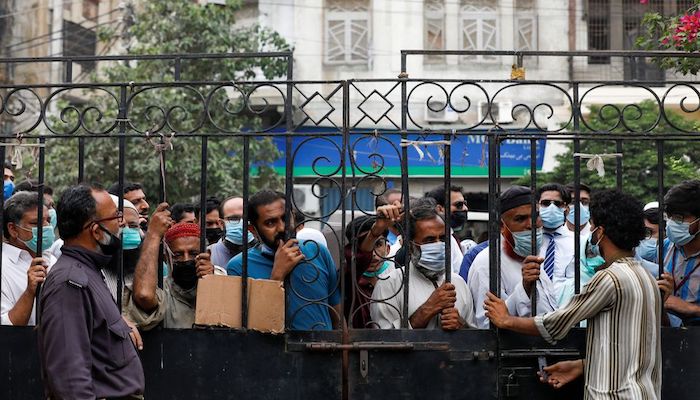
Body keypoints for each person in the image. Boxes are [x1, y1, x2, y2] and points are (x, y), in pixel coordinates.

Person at [484, 189, 673, 400]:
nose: (589, 230)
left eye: (592, 225)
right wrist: (582, 365)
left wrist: (506, 320)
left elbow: (555, 324)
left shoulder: (609, 278)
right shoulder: (645, 276)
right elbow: (626, 345)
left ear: (600, 233)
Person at [38, 183, 144, 399]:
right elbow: (70, 379)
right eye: (116, 217)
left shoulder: (88, 272)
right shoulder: (70, 283)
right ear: (96, 231)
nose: (121, 224)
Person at [226, 190, 341, 331]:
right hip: (274, 351)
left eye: (285, 218)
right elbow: (247, 328)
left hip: (322, 349)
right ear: (253, 229)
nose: (281, 228)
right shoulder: (239, 266)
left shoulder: (317, 251)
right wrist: (277, 276)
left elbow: (337, 317)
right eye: (270, 223)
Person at [370, 205, 476, 330]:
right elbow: (383, 341)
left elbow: (475, 338)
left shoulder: (458, 283)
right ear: (410, 246)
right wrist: (427, 310)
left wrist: (461, 325)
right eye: (429, 240)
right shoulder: (390, 284)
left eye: (442, 239)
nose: (438, 245)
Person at [468, 186, 557, 329]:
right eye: (520, 219)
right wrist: (524, 288)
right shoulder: (488, 264)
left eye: (535, 216)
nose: (531, 225)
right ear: (502, 226)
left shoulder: (532, 255)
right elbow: (488, 326)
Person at [129, 219, 224, 330]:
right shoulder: (160, 289)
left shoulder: (221, 278)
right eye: (178, 255)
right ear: (166, 257)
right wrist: (153, 235)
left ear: (207, 254)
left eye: (193, 253)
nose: (186, 259)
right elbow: (144, 296)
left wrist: (211, 280)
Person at [1, 191, 56, 326]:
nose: (46, 227)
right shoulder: (4, 267)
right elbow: (6, 328)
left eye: (47, 220)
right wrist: (30, 292)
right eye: (36, 223)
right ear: (13, 229)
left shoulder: (52, 259)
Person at [343, 210, 397, 328]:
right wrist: (374, 233)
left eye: (378, 245)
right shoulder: (347, 279)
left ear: (387, 248)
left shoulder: (398, 276)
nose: (372, 254)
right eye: (366, 245)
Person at [661, 180, 700, 326]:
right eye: (669, 217)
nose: (671, 223)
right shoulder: (664, 248)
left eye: (679, 218)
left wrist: (692, 309)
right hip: (667, 331)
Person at [538, 183, 578, 305]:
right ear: (537, 206)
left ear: (566, 209)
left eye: (557, 204)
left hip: (566, 311)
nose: (551, 208)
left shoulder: (578, 243)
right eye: (545, 203)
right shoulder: (527, 241)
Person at [102, 195, 143, 304]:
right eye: (121, 226)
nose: (127, 230)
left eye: (133, 226)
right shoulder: (97, 272)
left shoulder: (143, 269)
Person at [424, 185, 474, 253]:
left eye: (465, 204)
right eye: (459, 205)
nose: (465, 208)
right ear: (440, 209)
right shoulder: (435, 239)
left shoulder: (451, 235)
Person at [209, 196, 256, 268]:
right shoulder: (208, 255)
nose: (242, 223)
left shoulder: (267, 255)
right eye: (234, 218)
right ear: (221, 224)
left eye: (247, 218)